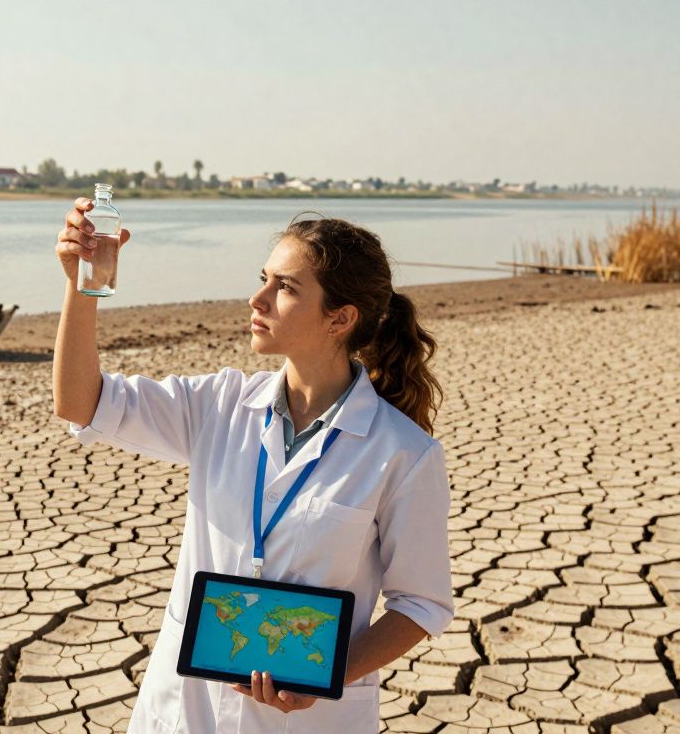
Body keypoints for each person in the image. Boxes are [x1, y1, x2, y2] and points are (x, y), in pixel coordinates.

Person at [53, 198, 454, 733]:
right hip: (183, 714)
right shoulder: (217, 405)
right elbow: (82, 404)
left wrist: (324, 677)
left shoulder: (403, 453)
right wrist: (84, 288)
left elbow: (421, 604)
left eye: (284, 288)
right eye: (263, 278)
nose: (256, 298)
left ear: (341, 318)